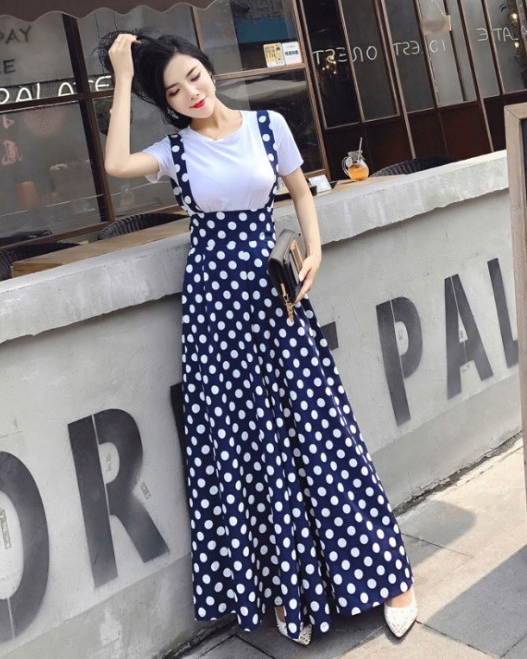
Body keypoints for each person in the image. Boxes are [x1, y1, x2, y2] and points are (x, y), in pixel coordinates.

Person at [100, 30, 417, 645]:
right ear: (166, 103)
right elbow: (115, 165)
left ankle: (388, 577)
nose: (190, 93)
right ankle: (284, 593)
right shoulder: (176, 151)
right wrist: (122, 77)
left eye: (194, 76)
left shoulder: (268, 126)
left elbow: (300, 191)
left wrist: (315, 252)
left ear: (209, 70)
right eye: (174, 91)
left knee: (323, 428)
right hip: (214, 310)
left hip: (277, 293)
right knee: (246, 446)